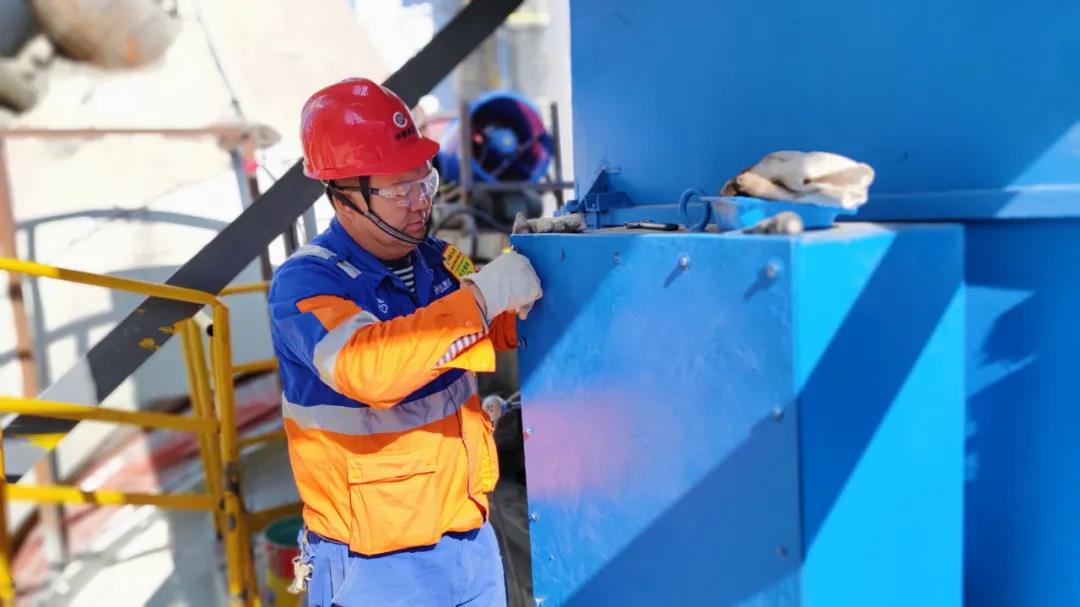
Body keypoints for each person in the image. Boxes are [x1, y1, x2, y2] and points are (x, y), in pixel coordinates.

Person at [267, 77, 543, 607]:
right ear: (343, 196)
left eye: (425, 182)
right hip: (376, 567)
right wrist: (483, 298)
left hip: (468, 537)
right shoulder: (306, 283)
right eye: (400, 191)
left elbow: (491, 326)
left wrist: (544, 280)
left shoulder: (436, 260)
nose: (420, 203)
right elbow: (369, 370)